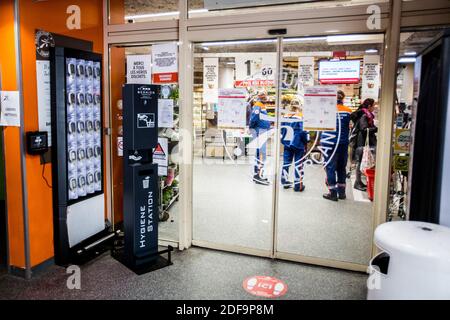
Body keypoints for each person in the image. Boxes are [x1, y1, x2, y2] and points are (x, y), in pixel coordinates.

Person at [322, 90, 352, 201]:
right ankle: (342, 193)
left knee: (330, 167)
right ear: (342, 98)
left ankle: (333, 193)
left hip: (329, 142)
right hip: (343, 142)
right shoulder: (348, 111)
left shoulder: (326, 109)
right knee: (341, 167)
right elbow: (349, 126)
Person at [280, 104, 309, 192]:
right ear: (298, 108)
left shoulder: (285, 117)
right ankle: (298, 185)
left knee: (286, 163)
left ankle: (285, 182)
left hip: (287, 143)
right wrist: (306, 141)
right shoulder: (301, 118)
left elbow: (282, 130)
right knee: (298, 164)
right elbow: (304, 132)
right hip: (298, 144)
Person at [352, 98, 377, 191]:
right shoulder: (364, 116)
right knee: (360, 162)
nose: (374, 107)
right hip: (361, 142)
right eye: (373, 105)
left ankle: (359, 182)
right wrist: (376, 128)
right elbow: (364, 129)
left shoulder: (366, 115)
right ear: (369, 106)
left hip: (361, 142)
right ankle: (357, 183)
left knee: (360, 161)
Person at [249, 91, 271, 185]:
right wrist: (252, 128)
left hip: (262, 131)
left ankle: (258, 175)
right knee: (261, 154)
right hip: (259, 131)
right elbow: (254, 119)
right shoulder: (258, 106)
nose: (266, 99)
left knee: (260, 154)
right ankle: (258, 176)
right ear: (261, 97)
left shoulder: (262, 105)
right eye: (265, 97)